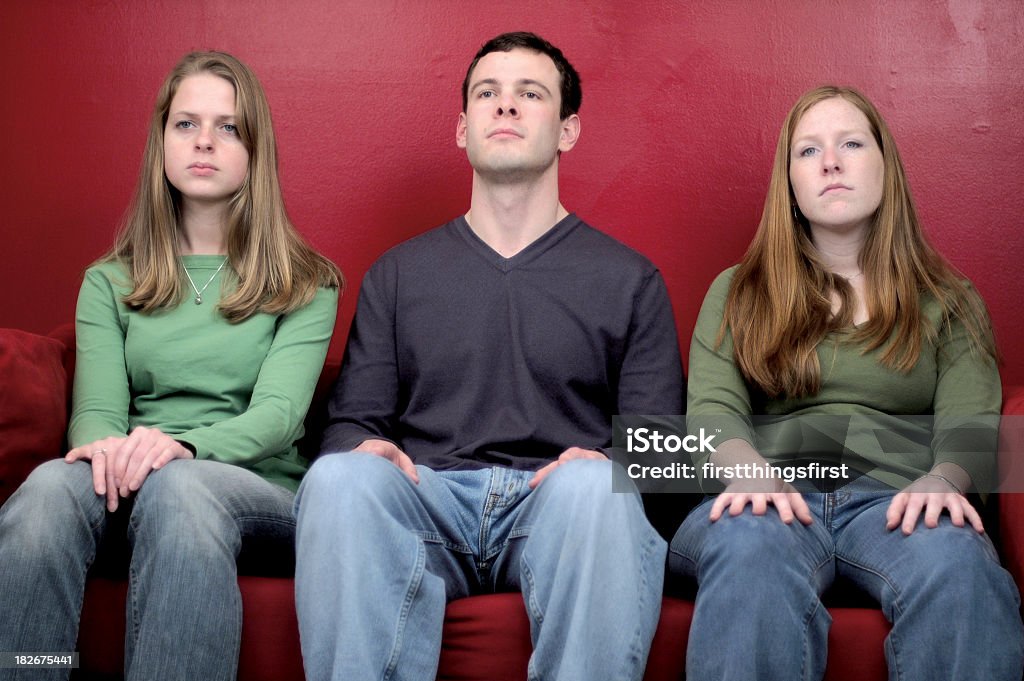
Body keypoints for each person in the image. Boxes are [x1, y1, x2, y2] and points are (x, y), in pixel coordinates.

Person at [294, 31, 684, 681]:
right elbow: (350, 423)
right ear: (462, 128)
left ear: (567, 130)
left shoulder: (631, 279)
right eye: (487, 93)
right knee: (338, 478)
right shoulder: (398, 274)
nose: (505, 106)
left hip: (560, 507)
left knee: (595, 487)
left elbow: (663, 449)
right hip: (427, 498)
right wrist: (364, 448)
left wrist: (608, 463)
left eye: (529, 94)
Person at [0, 51, 341, 680]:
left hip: (253, 489)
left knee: (182, 488)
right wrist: (112, 453)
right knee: (46, 489)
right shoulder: (108, 281)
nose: (204, 141)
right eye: (186, 124)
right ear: (162, 141)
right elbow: (98, 411)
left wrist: (179, 447)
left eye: (228, 127)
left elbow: (279, 417)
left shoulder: (307, 282)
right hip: (130, 477)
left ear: (255, 151)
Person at [669, 85, 1024, 679]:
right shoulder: (738, 291)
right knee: (750, 549)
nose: (830, 161)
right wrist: (745, 468)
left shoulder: (949, 299)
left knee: (958, 564)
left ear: (887, 166)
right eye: (808, 152)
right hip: (768, 500)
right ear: (791, 185)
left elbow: (972, 419)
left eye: (851, 143)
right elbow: (712, 406)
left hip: (899, 503)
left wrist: (944, 480)